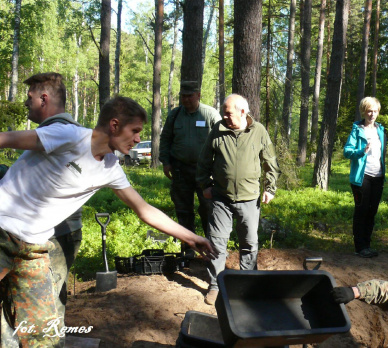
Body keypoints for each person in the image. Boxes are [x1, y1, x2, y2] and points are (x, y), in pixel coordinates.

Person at [0, 91, 216, 347]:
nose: (138, 139)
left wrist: (192, 238)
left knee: (43, 338)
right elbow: (4, 139)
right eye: (135, 131)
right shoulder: (69, 136)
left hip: (32, 249)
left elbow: (144, 209)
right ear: (115, 125)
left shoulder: (110, 168)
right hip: (2, 232)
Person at [0, 73, 84, 347]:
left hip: (52, 235)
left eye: (30, 98)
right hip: (49, 233)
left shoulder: (58, 132)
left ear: (44, 99)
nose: (26, 104)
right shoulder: (60, 132)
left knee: (44, 310)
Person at [196, 93, 280, 305]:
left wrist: (270, 188)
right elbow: (204, 160)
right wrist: (205, 185)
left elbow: (270, 161)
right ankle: (215, 285)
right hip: (221, 198)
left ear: (243, 112)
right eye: (224, 113)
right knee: (216, 242)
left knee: (249, 242)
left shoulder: (258, 131)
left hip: (249, 198)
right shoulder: (218, 130)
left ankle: (248, 283)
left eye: (228, 114)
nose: (225, 117)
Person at [159, 81, 221, 250]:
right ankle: (188, 249)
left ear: (198, 95)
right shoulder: (175, 115)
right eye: (183, 96)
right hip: (181, 170)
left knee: (208, 209)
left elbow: (223, 142)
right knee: (183, 210)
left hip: (206, 172)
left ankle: (213, 248)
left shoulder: (210, 114)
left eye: (189, 95)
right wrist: (166, 162)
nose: (186, 99)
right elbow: (165, 139)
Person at [343, 97, 386, 258]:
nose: (372, 114)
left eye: (375, 111)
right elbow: (347, 151)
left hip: (378, 176)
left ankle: (367, 245)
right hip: (362, 177)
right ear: (364, 111)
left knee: (372, 212)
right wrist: (361, 151)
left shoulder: (380, 130)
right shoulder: (357, 129)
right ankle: (359, 247)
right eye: (369, 111)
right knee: (361, 211)